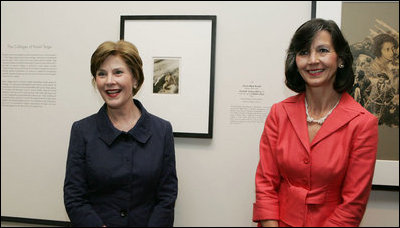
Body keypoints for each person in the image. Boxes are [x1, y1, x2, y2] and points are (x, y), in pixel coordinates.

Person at [252, 19, 378, 227]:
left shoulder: (362, 123)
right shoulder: (279, 113)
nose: (312, 60)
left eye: (322, 50)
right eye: (303, 52)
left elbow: (353, 204)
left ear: (341, 59)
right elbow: (266, 184)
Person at [63, 40, 178, 227]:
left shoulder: (162, 130)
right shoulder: (82, 131)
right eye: (102, 74)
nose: (109, 81)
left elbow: (167, 197)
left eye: (118, 72)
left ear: (135, 79)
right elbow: (74, 197)